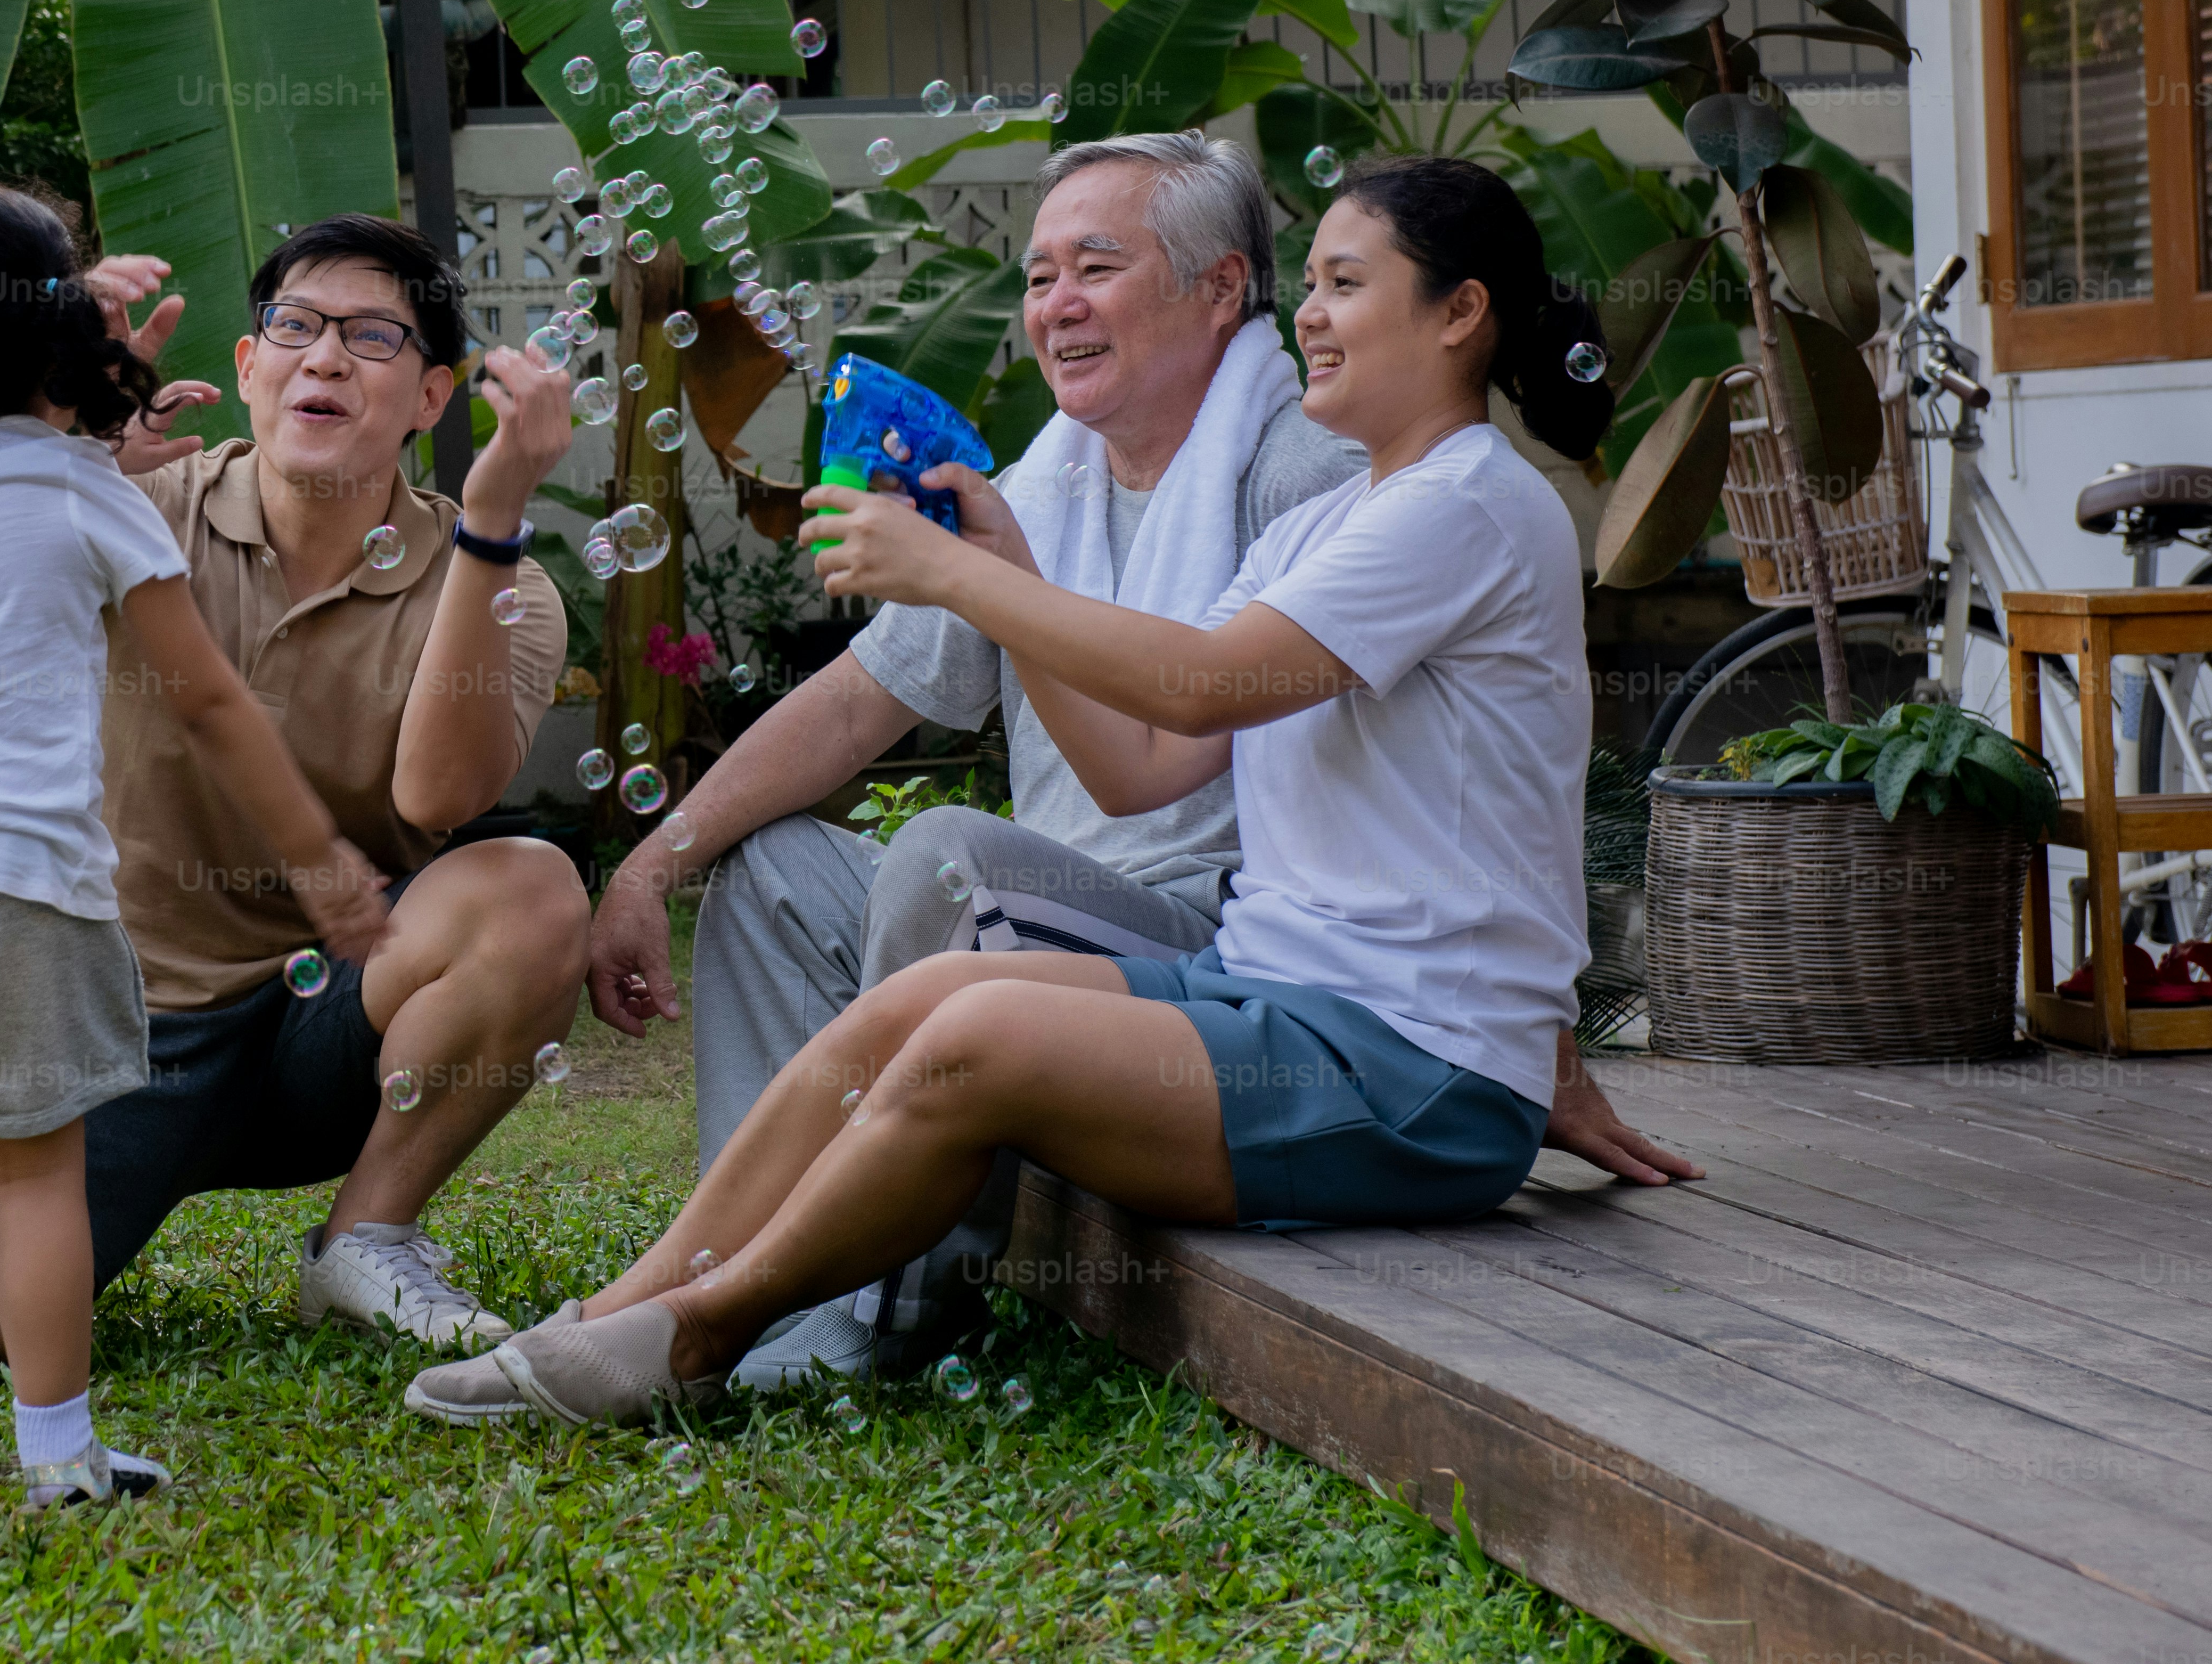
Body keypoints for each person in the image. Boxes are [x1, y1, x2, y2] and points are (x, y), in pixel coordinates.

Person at [409, 157, 1690, 1429]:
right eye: (1307, 283)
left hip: (1412, 1068)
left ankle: (693, 1337)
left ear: (1457, 311)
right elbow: (1143, 763)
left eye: (1342, 283)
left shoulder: (1461, 506)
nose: (1304, 315)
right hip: (1284, 996)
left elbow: (1194, 685)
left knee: (974, 1030)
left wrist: (969, 581)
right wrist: (1006, 570)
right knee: (919, 999)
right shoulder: (1334, 519)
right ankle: (617, 1307)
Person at [589, 132, 1367, 1385]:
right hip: (1047, 914)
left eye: (1095, 267)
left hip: (1216, 948)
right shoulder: (1043, 479)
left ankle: (878, 1313)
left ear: (1220, 288)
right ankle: (749, 1268)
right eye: (1037, 273)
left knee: (951, 860)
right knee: (775, 868)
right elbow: (856, 703)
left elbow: (1162, 760)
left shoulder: (1299, 474)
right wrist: (651, 861)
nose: (1053, 304)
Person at [0, 215, 589, 1371]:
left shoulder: (498, 581)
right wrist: (59, 445)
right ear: (248, 368)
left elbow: (438, 792)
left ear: (433, 397)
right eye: (294, 326)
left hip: (335, 1021)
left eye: (372, 337)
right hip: (108, 1026)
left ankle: (364, 1234)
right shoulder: (126, 505)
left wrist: (492, 521)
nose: (325, 357)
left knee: (533, 888)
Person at [0, 183, 386, 1511]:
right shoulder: (95, 503)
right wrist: (320, 857)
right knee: (34, 1171)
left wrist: (54, 339)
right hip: (24, 894)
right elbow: (207, 697)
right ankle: (58, 1457)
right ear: (58, 350)